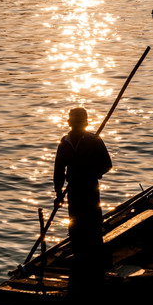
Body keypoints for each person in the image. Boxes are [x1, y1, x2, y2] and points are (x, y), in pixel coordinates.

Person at [53, 107, 112, 294]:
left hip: (90, 187)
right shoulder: (65, 142)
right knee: (75, 223)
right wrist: (58, 192)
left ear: (85, 123)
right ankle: (79, 257)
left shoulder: (94, 140)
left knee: (93, 222)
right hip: (74, 190)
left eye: (81, 121)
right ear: (70, 123)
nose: (78, 124)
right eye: (75, 121)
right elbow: (59, 169)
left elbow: (107, 164)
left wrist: (92, 173)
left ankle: (96, 260)